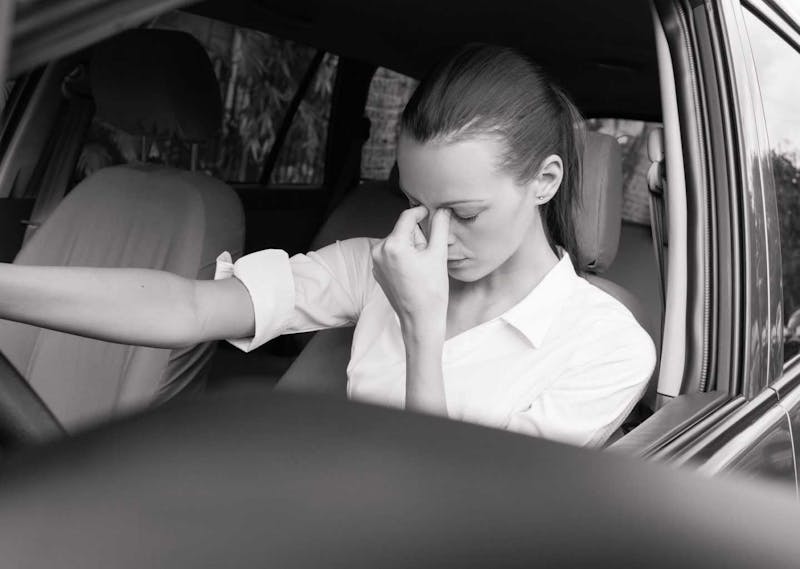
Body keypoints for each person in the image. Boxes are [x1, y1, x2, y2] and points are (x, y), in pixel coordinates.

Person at [0, 44, 655, 447]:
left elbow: (455, 508)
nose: (434, 237)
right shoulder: (380, 266)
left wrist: (422, 330)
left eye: (465, 212)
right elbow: (188, 308)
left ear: (544, 181)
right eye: (419, 206)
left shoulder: (607, 346)